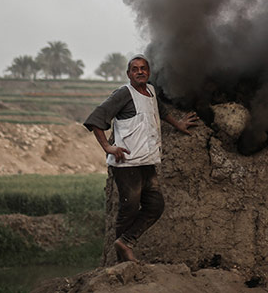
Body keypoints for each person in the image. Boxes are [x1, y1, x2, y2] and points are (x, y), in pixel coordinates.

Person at [83, 54, 198, 262]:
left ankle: (125, 241)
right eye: (135, 69)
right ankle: (122, 260)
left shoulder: (151, 91)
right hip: (126, 165)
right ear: (128, 74)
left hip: (147, 162)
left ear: (149, 72)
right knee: (129, 208)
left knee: (155, 205)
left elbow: (160, 111)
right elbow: (96, 119)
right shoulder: (123, 94)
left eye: (143, 68)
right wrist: (108, 146)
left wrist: (178, 124)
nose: (139, 72)